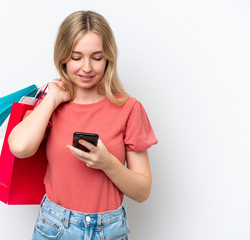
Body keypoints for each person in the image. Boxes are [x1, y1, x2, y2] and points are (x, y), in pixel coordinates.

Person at [8, 10, 158, 240]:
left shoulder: (129, 108)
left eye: (96, 57)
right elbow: (19, 147)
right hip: (55, 227)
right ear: (63, 58)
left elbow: (142, 191)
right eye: (76, 57)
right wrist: (52, 99)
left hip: (110, 230)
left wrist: (108, 163)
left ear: (108, 58)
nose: (86, 67)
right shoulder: (51, 104)